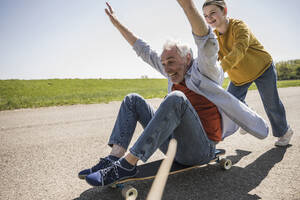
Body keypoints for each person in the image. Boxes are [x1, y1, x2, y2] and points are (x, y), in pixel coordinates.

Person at [78, 0, 268, 187]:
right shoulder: (170, 71)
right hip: (175, 145)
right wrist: (116, 23)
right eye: (164, 63)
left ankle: (128, 164)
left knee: (176, 98)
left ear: (187, 58)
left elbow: (207, 42)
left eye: (171, 62)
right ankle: (114, 159)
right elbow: (142, 50)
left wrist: (187, 5)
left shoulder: (205, 70)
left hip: (202, 149)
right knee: (132, 100)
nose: (167, 68)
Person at [202, 0, 293, 146]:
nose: (209, 18)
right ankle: (247, 117)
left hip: (262, 68)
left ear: (224, 11)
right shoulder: (213, 38)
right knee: (229, 103)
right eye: (205, 15)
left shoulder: (239, 26)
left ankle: (284, 132)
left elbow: (240, 49)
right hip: (240, 77)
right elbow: (211, 58)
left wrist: (221, 67)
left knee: (271, 103)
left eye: (213, 13)